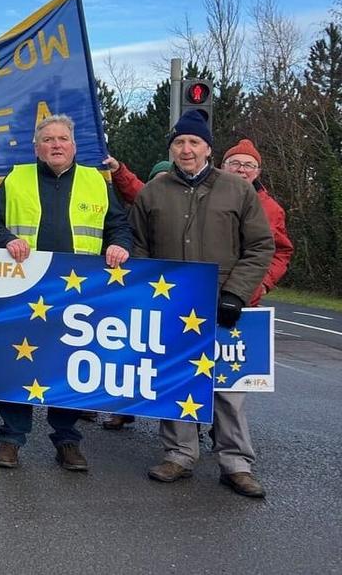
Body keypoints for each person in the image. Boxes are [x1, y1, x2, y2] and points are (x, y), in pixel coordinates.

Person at [0, 114, 132, 472]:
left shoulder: (96, 181)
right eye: (48, 140)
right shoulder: (17, 178)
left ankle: (67, 440)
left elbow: (119, 226)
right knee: (20, 364)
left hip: (78, 295)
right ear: (37, 147)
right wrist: (7, 239)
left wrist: (120, 246)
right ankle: (11, 439)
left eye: (63, 139)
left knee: (68, 366)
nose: (56, 145)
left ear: (74, 146)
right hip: (25, 290)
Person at [133, 113, 275, 498]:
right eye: (179, 143)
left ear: (208, 148)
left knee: (228, 388)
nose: (186, 149)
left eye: (194, 143)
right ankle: (179, 454)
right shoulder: (152, 192)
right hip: (172, 305)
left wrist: (237, 293)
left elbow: (261, 246)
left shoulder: (238, 190)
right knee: (177, 380)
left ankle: (235, 463)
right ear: (171, 149)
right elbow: (139, 247)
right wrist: (149, 293)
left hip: (223, 305)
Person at [99, 155, 171, 432]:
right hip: (137, 284)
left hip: (170, 286)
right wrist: (118, 170)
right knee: (126, 352)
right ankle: (121, 408)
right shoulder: (140, 204)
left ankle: (189, 424)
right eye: (157, 179)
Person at [220, 139, 293, 304]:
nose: (241, 170)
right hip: (200, 292)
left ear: (257, 172)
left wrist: (265, 283)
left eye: (249, 165)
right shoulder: (204, 197)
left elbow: (282, 251)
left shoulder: (272, 209)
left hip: (245, 298)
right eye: (235, 163)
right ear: (223, 166)